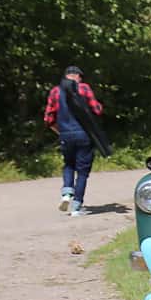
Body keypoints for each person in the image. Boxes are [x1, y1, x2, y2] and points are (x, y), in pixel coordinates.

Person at [42, 66, 111, 215]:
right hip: (84, 134)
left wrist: (60, 131)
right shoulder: (84, 88)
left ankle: (66, 194)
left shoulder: (55, 91)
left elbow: (48, 118)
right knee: (82, 171)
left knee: (68, 164)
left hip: (65, 135)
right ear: (78, 77)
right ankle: (76, 206)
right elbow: (97, 110)